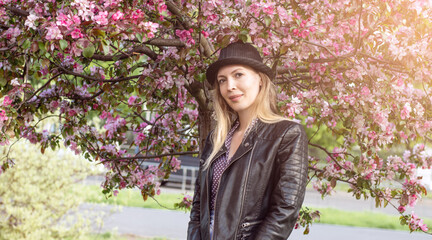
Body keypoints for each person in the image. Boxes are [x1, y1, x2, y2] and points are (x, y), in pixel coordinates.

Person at [187, 41, 309, 240]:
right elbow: (198, 208)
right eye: (222, 80)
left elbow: (284, 210)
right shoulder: (216, 139)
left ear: (260, 79)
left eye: (238, 75)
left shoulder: (286, 134)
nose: (230, 86)